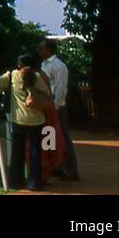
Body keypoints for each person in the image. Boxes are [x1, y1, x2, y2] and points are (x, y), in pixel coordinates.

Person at [0, 53, 55, 191]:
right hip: (36, 120)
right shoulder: (36, 77)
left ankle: (16, 181)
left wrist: (5, 90)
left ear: (19, 64)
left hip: (18, 119)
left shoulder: (12, 75)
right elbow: (47, 94)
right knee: (35, 152)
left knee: (17, 152)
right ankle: (34, 183)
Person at [37, 38, 80, 180]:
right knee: (49, 135)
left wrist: (56, 105)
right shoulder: (44, 65)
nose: (39, 51)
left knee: (63, 136)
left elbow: (61, 88)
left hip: (56, 104)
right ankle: (55, 165)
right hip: (47, 102)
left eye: (41, 48)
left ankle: (71, 169)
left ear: (49, 50)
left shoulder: (58, 66)